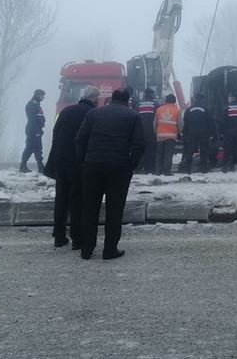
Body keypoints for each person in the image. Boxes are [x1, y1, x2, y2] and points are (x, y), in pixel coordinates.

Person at [75, 88, 144, 260]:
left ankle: (86, 249)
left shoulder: (93, 114)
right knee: (114, 210)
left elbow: (80, 139)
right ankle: (109, 249)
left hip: (92, 166)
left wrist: (84, 161)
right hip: (119, 168)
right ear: (128, 101)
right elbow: (139, 144)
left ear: (111, 99)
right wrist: (131, 165)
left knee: (89, 208)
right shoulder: (133, 116)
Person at [45, 86, 99, 249]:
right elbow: (91, 140)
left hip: (61, 160)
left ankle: (59, 236)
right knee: (78, 201)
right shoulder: (92, 114)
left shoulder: (66, 111)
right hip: (78, 162)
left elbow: (56, 133)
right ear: (95, 99)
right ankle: (77, 239)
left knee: (61, 199)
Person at [180, 94, 213, 174]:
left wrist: (184, 135)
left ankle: (187, 168)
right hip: (203, 133)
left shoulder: (189, 110)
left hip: (192, 133)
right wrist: (212, 134)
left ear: (194, 99)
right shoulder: (206, 109)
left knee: (190, 151)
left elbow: (186, 123)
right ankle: (204, 168)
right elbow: (211, 123)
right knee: (204, 151)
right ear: (202, 99)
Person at [154, 94, 181, 176]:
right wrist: (178, 132)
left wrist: (157, 133)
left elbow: (154, 123)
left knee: (159, 155)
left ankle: (158, 171)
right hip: (171, 136)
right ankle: (166, 172)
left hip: (160, 136)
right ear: (174, 101)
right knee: (168, 155)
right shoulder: (177, 111)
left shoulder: (159, 110)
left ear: (166, 100)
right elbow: (180, 124)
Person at [20, 89, 46, 173]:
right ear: (38, 95)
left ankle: (40, 167)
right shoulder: (32, 105)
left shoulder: (36, 105)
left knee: (36, 149)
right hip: (33, 131)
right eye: (42, 96)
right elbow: (32, 120)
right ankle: (23, 166)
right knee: (31, 148)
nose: (43, 98)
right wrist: (36, 132)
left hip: (36, 130)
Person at [136, 88, 159, 174]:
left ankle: (140, 167)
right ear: (152, 94)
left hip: (141, 130)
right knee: (151, 150)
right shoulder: (155, 104)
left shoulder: (139, 104)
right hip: (152, 131)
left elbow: (136, 117)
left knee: (142, 150)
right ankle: (150, 168)